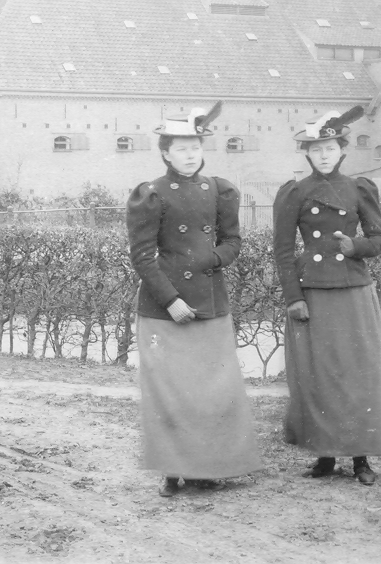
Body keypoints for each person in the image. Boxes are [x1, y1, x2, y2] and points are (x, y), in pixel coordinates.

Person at [127, 102, 263, 497]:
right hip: (164, 309)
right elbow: (142, 256)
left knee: (211, 390)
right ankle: (173, 470)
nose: (190, 154)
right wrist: (170, 300)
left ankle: (206, 469)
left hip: (210, 303)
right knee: (171, 391)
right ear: (165, 152)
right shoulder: (150, 194)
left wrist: (215, 259)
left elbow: (233, 240)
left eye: (195, 147)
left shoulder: (219, 190)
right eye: (181, 148)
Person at [272, 106, 381, 485]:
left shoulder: (358, 188)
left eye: (330, 147)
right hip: (314, 292)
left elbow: (380, 241)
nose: (324, 155)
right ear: (307, 153)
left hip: (352, 289)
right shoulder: (294, 193)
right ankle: (324, 456)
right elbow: (283, 251)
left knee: (359, 375)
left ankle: (361, 459)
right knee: (319, 374)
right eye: (316, 149)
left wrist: (355, 247)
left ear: (342, 150)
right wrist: (293, 298)